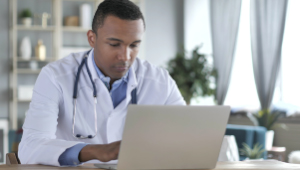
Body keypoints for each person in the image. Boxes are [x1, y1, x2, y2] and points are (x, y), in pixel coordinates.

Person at [18, 0, 186, 166]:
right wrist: (96, 151)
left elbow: (188, 138)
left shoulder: (160, 81)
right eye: (114, 44)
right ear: (92, 38)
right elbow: (30, 147)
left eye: (134, 45)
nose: (125, 56)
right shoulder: (55, 77)